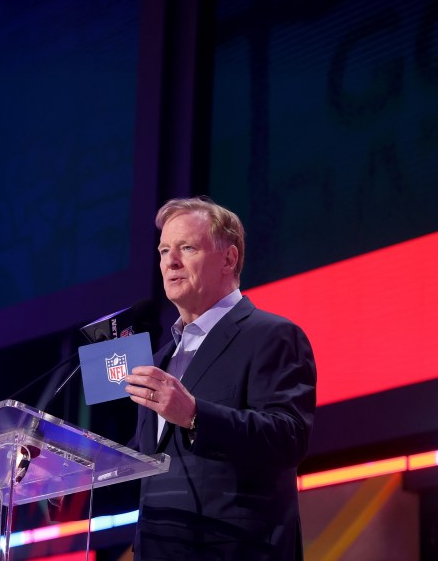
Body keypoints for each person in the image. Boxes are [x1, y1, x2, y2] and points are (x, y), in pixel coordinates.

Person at [123, 196, 317, 560]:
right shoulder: (161, 358)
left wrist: (196, 415)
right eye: (164, 250)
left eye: (187, 248)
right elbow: (147, 466)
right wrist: (72, 472)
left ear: (228, 259)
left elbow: (288, 437)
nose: (170, 261)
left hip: (237, 550)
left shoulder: (271, 335)